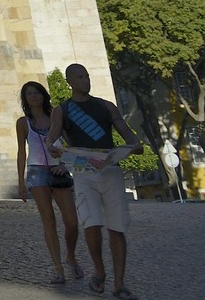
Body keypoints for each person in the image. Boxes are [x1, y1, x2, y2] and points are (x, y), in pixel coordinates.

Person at [47, 63, 142, 299]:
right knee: (91, 224)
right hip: (83, 172)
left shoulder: (106, 106)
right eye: (80, 77)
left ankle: (119, 283)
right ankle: (99, 272)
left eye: (87, 76)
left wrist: (134, 146)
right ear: (70, 81)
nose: (86, 80)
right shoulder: (62, 110)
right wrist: (56, 150)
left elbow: (128, 135)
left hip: (110, 170)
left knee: (117, 226)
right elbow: (51, 140)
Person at [17, 80, 81, 285]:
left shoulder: (57, 116)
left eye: (37, 92)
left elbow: (70, 145)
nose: (34, 96)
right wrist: (21, 182)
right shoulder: (23, 122)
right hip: (37, 173)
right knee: (49, 220)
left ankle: (70, 256)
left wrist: (66, 164)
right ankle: (58, 268)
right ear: (25, 99)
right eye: (29, 93)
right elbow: (21, 152)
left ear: (43, 95)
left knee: (72, 222)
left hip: (58, 170)